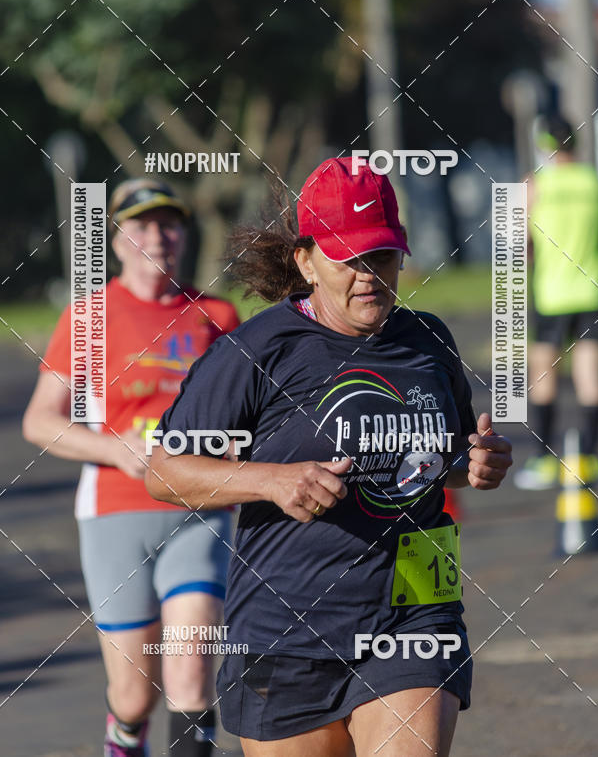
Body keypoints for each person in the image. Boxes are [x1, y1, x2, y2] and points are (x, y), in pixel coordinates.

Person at [145, 158, 512, 757]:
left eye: (385, 257)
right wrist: (272, 481)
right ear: (306, 261)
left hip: (413, 615)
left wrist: (472, 464)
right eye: (350, 259)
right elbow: (164, 472)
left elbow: (439, 461)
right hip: (286, 628)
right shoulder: (257, 350)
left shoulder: (427, 340)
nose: (370, 276)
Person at [23, 178, 240, 757]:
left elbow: (252, 412)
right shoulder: (89, 318)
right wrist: (115, 448)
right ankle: (123, 739)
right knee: (134, 695)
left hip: (200, 509)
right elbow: (41, 421)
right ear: (117, 239)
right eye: (141, 225)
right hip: (116, 513)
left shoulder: (216, 315)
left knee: (191, 676)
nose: (157, 237)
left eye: (169, 224)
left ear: (183, 235)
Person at [514, 116, 598, 490]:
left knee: (544, 376)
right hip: (591, 291)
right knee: (590, 378)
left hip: (551, 293)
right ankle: (588, 457)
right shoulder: (592, 181)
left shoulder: (535, 185)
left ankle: (543, 460)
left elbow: (520, 244)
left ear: (546, 145)